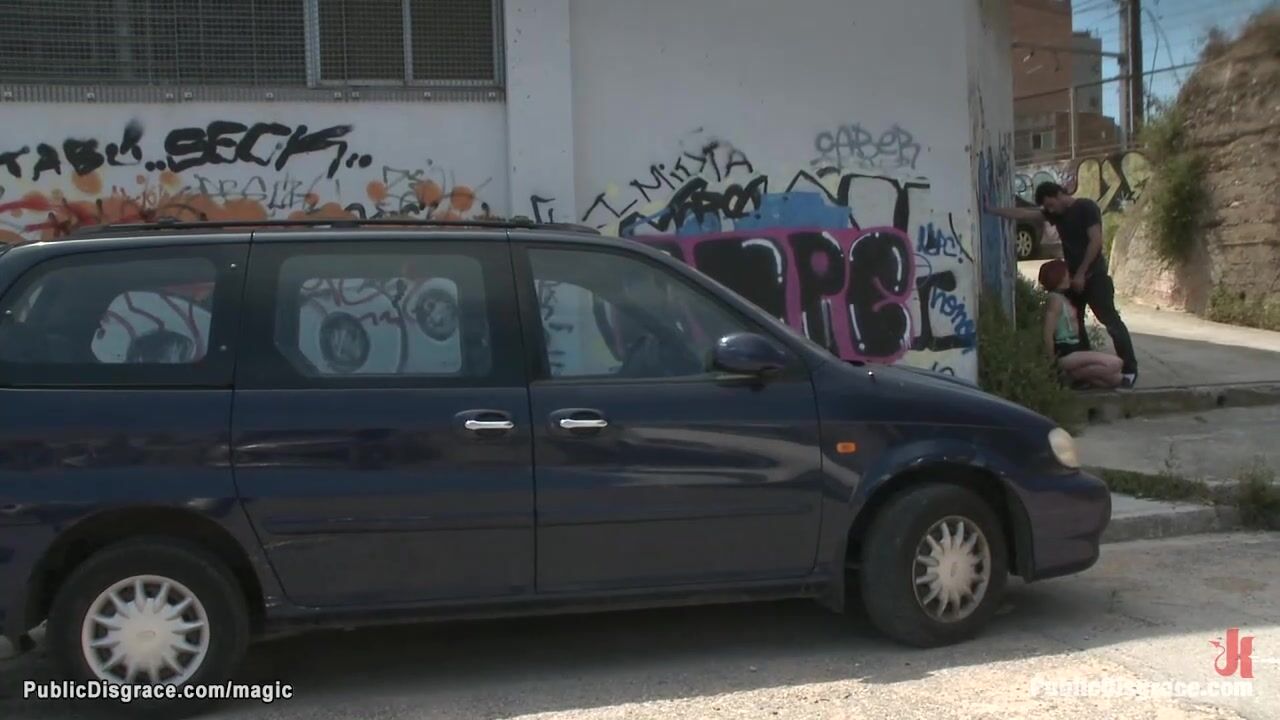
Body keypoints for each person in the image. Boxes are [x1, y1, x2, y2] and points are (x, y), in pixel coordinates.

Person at [986, 182, 1138, 388]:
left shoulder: (1086, 207)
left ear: (1059, 194)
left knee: (1110, 321)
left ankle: (1129, 369)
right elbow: (1024, 214)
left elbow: (1096, 242)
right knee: (1076, 325)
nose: (1050, 210)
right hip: (1071, 279)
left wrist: (1081, 273)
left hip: (1094, 276)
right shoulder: (1056, 215)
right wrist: (992, 210)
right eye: (1047, 207)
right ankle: (1083, 375)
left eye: (1051, 204)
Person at [1037, 259, 1122, 389]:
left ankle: (1074, 377)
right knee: (1116, 363)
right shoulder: (1054, 300)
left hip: (1075, 348)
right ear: (1058, 276)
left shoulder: (1063, 298)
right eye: (1065, 274)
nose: (1068, 276)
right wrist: (1051, 362)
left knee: (1116, 379)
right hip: (1065, 351)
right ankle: (1069, 376)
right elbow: (1047, 333)